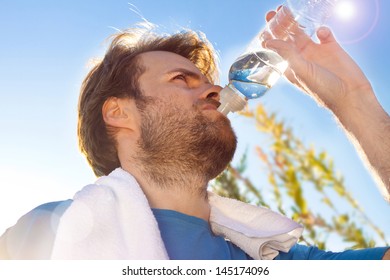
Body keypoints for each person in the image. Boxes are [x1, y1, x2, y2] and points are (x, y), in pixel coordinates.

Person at [0, 8, 389, 259]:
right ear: (119, 113)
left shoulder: (273, 258)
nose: (214, 91)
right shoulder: (47, 231)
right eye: (181, 79)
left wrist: (354, 101)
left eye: (208, 82)